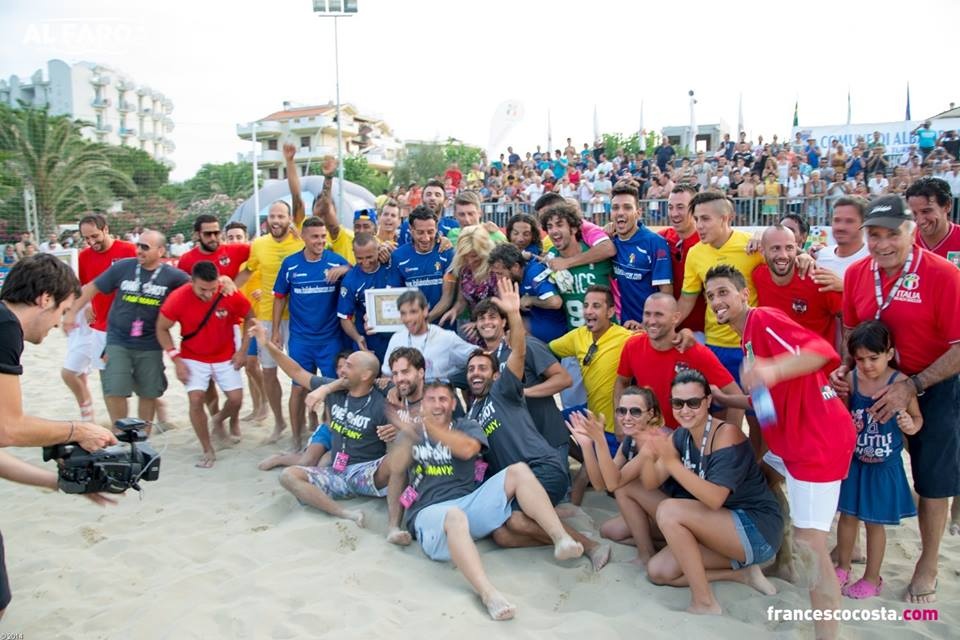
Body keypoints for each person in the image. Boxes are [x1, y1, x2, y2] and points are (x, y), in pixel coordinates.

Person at [705, 264, 856, 640]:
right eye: (710, 296)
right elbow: (769, 402)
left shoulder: (762, 319)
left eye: (723, 292)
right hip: (792, 440)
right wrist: (727, 398)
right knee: (760, 478)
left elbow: (819, 351)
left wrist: (771, 369)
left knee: (812, 545)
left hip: (816, 442)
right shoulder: (746, 339)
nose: (716, 301)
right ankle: (781, 559)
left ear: (744, 294)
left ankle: (827, 634)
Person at [836, 194, 960, 604]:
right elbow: (851, 331)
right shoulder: (857, 273)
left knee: (932, 478)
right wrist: (845, 369)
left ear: (912, 232)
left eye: (892, 234)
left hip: (933, 383)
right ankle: (850, 550)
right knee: (865, 464)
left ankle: (928, 562)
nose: (883, 243)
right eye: (874, 234)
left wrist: (913, 385)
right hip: (873, 385)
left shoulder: (943, 274)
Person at [387, 380, 584, 621]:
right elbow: (396, 471)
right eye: (431, 399)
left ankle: (561, 538)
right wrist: (393, 526)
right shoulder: (411, 434)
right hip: (430, 514)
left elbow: (467, 449)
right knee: (454, 516)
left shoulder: (466, 426)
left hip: (469, 503)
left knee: (518, 471)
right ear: (422, 404)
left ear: (453, 403)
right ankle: (489, 594)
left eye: (443, 399)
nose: (437, 405)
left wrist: (428, 426)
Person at [0, 254, 119, 618]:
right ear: (45, 298)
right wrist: (79, 430)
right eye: (64, 311)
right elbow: (8, 428)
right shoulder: (5, 326)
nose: (59, 324)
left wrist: (60, 483)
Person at [464, 277, 610, 570]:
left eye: (482, 368)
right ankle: (559, 522)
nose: (476, 373)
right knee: (503, 535)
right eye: (470, 370)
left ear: (496, 374)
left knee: (517, 519)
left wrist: (514, 314)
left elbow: (521, 354)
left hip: (542, 464)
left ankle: (588, 545)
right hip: (516, 479)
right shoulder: (473, 414)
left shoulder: (504, 387)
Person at [639, 370, 781, 614]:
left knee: (669, 510)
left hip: (756, 530)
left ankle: (704, 602)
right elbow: (651, 482)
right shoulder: (681, 435)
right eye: (678, 403)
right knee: (658, 571)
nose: (685, 410)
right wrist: (647, 452)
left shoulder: (726, 435)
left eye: (693, 402)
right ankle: (742, 574)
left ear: (707, 401)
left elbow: (715, 499)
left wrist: (671, 462)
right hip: (721, 528)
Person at [253, 321, 404, 532]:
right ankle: (346, 514)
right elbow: (296, 372)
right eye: (343, 366)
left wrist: (396, 424)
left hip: (366, 473)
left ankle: (394, 526)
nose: (342, 370)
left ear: (365, 375)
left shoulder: (382, 401)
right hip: (336, 472)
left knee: (399, 459)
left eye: (349, 366)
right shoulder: (334, 390)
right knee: (288, 476)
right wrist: (267, 344)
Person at [66, 230, 190, 426]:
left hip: (150, 343)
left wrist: (224, 282)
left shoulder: (173, 276)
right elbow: (92, 287)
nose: (139, 250)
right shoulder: (123, 267)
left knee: (148, 392)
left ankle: (142, 436)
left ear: (160, 251)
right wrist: (72, 313)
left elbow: (197, 287)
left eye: (145, 247)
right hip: (118, 339)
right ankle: (121, 432)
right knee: (115, 388)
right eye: (138, 245)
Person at [834, 321, 921, 599]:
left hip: (884, 467)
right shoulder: (851, 380)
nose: (867, 365)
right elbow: (841, 415)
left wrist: (909, 426)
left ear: (889, 353)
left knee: (874, 523)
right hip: (855, 462)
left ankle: (872, 577)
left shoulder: (901, 383)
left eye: (873, 358)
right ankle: (842, 567)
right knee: (847, 517)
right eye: (860, 359)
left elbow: (917, 419)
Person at [157, 261, 253, 468]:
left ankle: (218, 419)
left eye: (212, 289)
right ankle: (207, 448)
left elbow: (250, 316)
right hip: (193, 356)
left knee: (236, 399)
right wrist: (176, 359)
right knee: (195, 399)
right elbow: (161, 328)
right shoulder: (178, 297)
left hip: (226, 354)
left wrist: (243, 350)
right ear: (192, 282)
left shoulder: (227, 292)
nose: (208, 294)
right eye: (202, 289)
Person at [567, 386, 670, 563]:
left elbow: (615, 484)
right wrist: (587, 446)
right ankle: (666, 545)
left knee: (624, 486)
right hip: (652, 509)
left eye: (635, 412)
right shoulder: (630, 439)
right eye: (621, 411)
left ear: (650, 414)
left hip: (675, 511)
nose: (626, 417)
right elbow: (601, 485)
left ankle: (646, 554)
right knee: (608, 531)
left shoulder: (656, 438)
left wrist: (600, 441)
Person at [272, 217, 350, 451]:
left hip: (330, 339)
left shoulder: (335, 260)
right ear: (304, 237)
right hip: (301, 339)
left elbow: (358, 273)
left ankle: (330, 439)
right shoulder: (291, 264)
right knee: (298, 388)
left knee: (332, 389)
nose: (320, 241)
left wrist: (346, 269)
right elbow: (279, 297)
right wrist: (275, 331)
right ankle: (296, 439)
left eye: (323, 236)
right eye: (315, 236)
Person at [234, 200, 305, 441]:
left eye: (281, 216)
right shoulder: (259, 244)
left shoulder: (299, 241)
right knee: (268, 372)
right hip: (266, 316)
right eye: (272, 216)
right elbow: (247, 271)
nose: (276, 220)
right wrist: (226, 288)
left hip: (297, 317)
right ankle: (279, 422)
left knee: (301, 373)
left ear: (289, 219)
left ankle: (303, 420)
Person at [615, 293, 741, 430]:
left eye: (659, 315)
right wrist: (619, 425)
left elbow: (736, 394)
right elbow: (622, 382)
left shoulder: (695, 352)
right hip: (649, 433)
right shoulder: (632, 346)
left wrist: (731, 437)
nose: (651, 321)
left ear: (675, 318)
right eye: (647, 314)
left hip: (687, 436)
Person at [61, 215, 137, 423]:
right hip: (100, 326)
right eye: (86, 238)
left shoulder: (129, 250)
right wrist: (85, 306)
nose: (91, 242)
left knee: (140, 378)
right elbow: (84, 287)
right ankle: (118, 426)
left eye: (94, 236)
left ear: (106, 229)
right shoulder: (84, 257)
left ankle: (160, 417)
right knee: (108, 380)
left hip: (129, 325)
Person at [550, 285, 633, 448]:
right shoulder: (578, 335)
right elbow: (546, 350)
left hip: (614, 428)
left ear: (610, 312)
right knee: (551, 425)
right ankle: (582, 457)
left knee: (603, 465)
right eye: (586, 305)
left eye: (596, 306)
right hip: (591, 416)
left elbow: (655, 342)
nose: (588, 311)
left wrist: (683, 334)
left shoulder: (627, 338)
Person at [754, 226, 842, 343]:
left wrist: (846, 353)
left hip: (817, 354)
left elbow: (849, 317)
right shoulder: (758, 276)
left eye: (789, 248)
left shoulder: (819, 280)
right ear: (762, 251)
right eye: (775, 248)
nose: (783, 255)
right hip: (776, 355)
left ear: (796, 249)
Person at [609, 183, 673, 329]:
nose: (620, 212)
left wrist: (646, 325)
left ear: (638, 213)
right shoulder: (609, 242)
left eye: (627, 207)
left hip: (649, 327)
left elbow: (666, 292)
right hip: (622, 327)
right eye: (615, 208)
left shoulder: (655, 243)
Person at [380, 289, 476, 382]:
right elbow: (387, 375)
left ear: (425, 311)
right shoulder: (396, 339)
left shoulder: (446, 338)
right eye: (403, 313)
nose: (408, 318)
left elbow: (478, 355)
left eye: (413, 312)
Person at [224, 222, 268, 423]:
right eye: (230, 237)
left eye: (238, 237)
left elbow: (275, 280)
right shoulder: (231, 265)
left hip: (259, 318)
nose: (235, 241)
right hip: (241, 322)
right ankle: (257, 405)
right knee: (248, 367)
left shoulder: (256, 259)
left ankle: (265, 402)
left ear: (247, 238)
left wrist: (264, 292)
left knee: (252, 363)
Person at [285, 146, 355, 264]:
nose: (323, 212)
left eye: (327, 208)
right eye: (318, 207)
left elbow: (326, 206)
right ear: (312, 211)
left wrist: (328, 178)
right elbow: (296, 197)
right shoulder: (303, 225)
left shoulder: (339, 234)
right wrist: (290, 161)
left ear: (335, 212)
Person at [487, 242, 567, 343]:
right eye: (495, 274)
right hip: (537, 323)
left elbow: (555, 302)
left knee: (510, 326)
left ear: (515, 267)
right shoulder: (518, 276)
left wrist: (531, 300)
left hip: (553, 331)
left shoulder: (533, 273)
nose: (498, 278)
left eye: (500, 273)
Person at [337, 232, 392, 365]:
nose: (366, 262)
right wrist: (357, 338)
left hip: (395, 337)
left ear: (378, 250)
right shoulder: (350, 281)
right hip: (369, 340)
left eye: (369, 257)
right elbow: (344, 318)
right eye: (359, 258)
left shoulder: (391, 265)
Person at [660, 185, 706, 337]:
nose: (674, 213)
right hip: (669, 330)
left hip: (700, 333)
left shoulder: (707, 242)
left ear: (694, 209)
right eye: (670, 207)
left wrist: (757, 239)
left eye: (680, 207)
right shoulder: (662, 238)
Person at [389, 206, 455, 312]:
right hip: (412, 321)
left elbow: (448, 298)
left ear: (436, 229)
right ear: (411, 230)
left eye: (430, 232)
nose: (426, 238)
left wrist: (425, 320)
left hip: (442, 321)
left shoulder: (447, 253)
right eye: (420, 232)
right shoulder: (398, 256)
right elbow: (395, 295)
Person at [905, 177, 960, 265]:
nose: (920, 221)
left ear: (947, 206)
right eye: (914, 213)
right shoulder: (904, 241)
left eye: (926, 211)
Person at [814, 197, 870, 279]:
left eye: (849, 221)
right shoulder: (822, 255)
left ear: (864, 223)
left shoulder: (874, 260)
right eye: (836, 220)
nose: (840, 227)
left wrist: (843, 285)